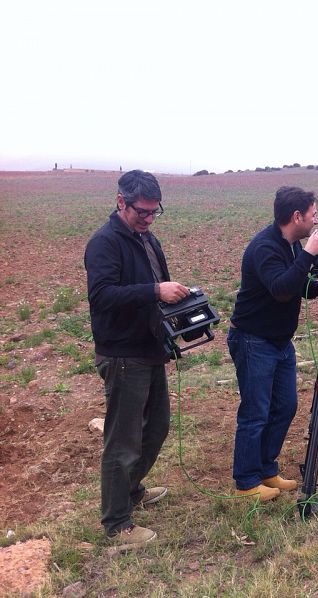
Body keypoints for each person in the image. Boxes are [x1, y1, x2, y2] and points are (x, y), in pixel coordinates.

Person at [85, 170, 191, 548]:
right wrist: (154, 291)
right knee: (123, 440)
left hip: (150, 348)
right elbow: (102, 297)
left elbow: (155, 288)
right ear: (120, 202)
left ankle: (131, 491)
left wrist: (176, 306)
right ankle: (117, 523)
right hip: (123, 353)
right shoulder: (105, 243)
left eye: (154, 212)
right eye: (141, 212)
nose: (148, 218)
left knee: (157, 426)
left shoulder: (147, 238)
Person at [228, 186, 318, 501]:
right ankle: (247, 482)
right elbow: (279, 288)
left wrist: (316, 288)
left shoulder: (290, 244)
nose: (316, 221)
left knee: (285, 406)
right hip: (253, 340)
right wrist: (309, 254)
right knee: (255, 412)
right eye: (313, 215)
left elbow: (294, 282)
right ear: (297, 216)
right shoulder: (265, 247)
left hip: (278, 341)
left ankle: (266, 469)